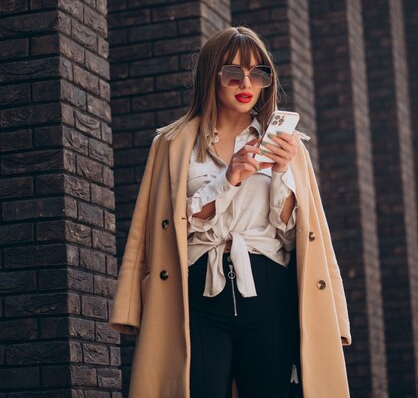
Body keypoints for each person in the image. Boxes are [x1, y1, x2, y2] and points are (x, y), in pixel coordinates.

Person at [108, 26, 352, 398]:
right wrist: (229, 178)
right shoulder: (172, 145)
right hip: (196, 293)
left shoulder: (290, 148)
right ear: (211, 76)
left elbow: (295, 235)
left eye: (259, 73)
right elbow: (163, 228)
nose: (246, 82)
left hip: (270, 288)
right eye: (232, 72)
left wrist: (282, 173)